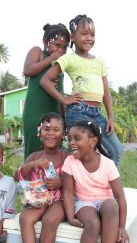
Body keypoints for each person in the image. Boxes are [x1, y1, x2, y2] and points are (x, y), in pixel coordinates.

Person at [41, 14, 123, 167]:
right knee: (79, 155)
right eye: (84, 33)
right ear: (72, 36)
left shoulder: (99, 61)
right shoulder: (69, 58)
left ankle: (106, 188)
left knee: (116, 151)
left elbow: (106, 90)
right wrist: (65, 99)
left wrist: (110, 117)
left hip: (97, 113)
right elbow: (45, 80)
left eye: (92, 34)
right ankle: (76, 188)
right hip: (78, 111)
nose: (89, 38)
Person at [62, 120, 129, 243]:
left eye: (77, 138)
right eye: (70, 139)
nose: (71, 143)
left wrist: (122, 226)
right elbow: (68, 192)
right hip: (84, 202)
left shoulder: (107, 164)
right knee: (92, 223)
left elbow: (119, 196)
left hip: (104, 200)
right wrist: (70, 216)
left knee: (111, 207)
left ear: (92, 142)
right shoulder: (70, 162)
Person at [15, 113, 69, 243]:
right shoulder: (34, 156)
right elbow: (17, 176)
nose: (50, 133)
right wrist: (31, 165)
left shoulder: (67, 157)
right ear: (39, 132)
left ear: (63, 134)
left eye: (56, 129)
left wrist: (60, 182)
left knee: (50, 219)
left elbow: (77, 180)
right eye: (46, 129)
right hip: (39, 199)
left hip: (59, 199)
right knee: (25, 218)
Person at [22, 23, 72, 160]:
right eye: (57, 45)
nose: (60, 50)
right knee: (33, 152)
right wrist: (50, 59)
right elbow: (27, 70)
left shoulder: (60, 66)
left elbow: (60, 93)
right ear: (45, 42)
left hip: (55, 115)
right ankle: (29, 180)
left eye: (64, 47)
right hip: (35, 113)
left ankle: (53, 181)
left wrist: (64, 118)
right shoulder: (37, 52)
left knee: (54, 153)